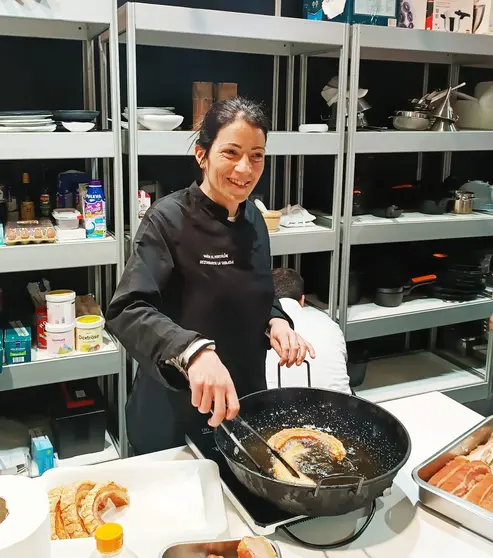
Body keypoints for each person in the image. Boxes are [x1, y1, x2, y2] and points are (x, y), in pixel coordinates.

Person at [106, 97, 315, 454]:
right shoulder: (167, 220)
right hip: (176, 411)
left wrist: (276, 323)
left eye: (256, 155)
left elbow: (256, 295)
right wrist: (194, 351)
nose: (245, 169)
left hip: (242, 404)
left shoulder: (254, 221)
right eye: (230, 153)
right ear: (202, 155)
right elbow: (127, 309)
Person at [265, 268, 351, 394]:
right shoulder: (328, 323)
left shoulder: (252, 327)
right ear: (302, 300)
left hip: (270, 406)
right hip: (338, 406)